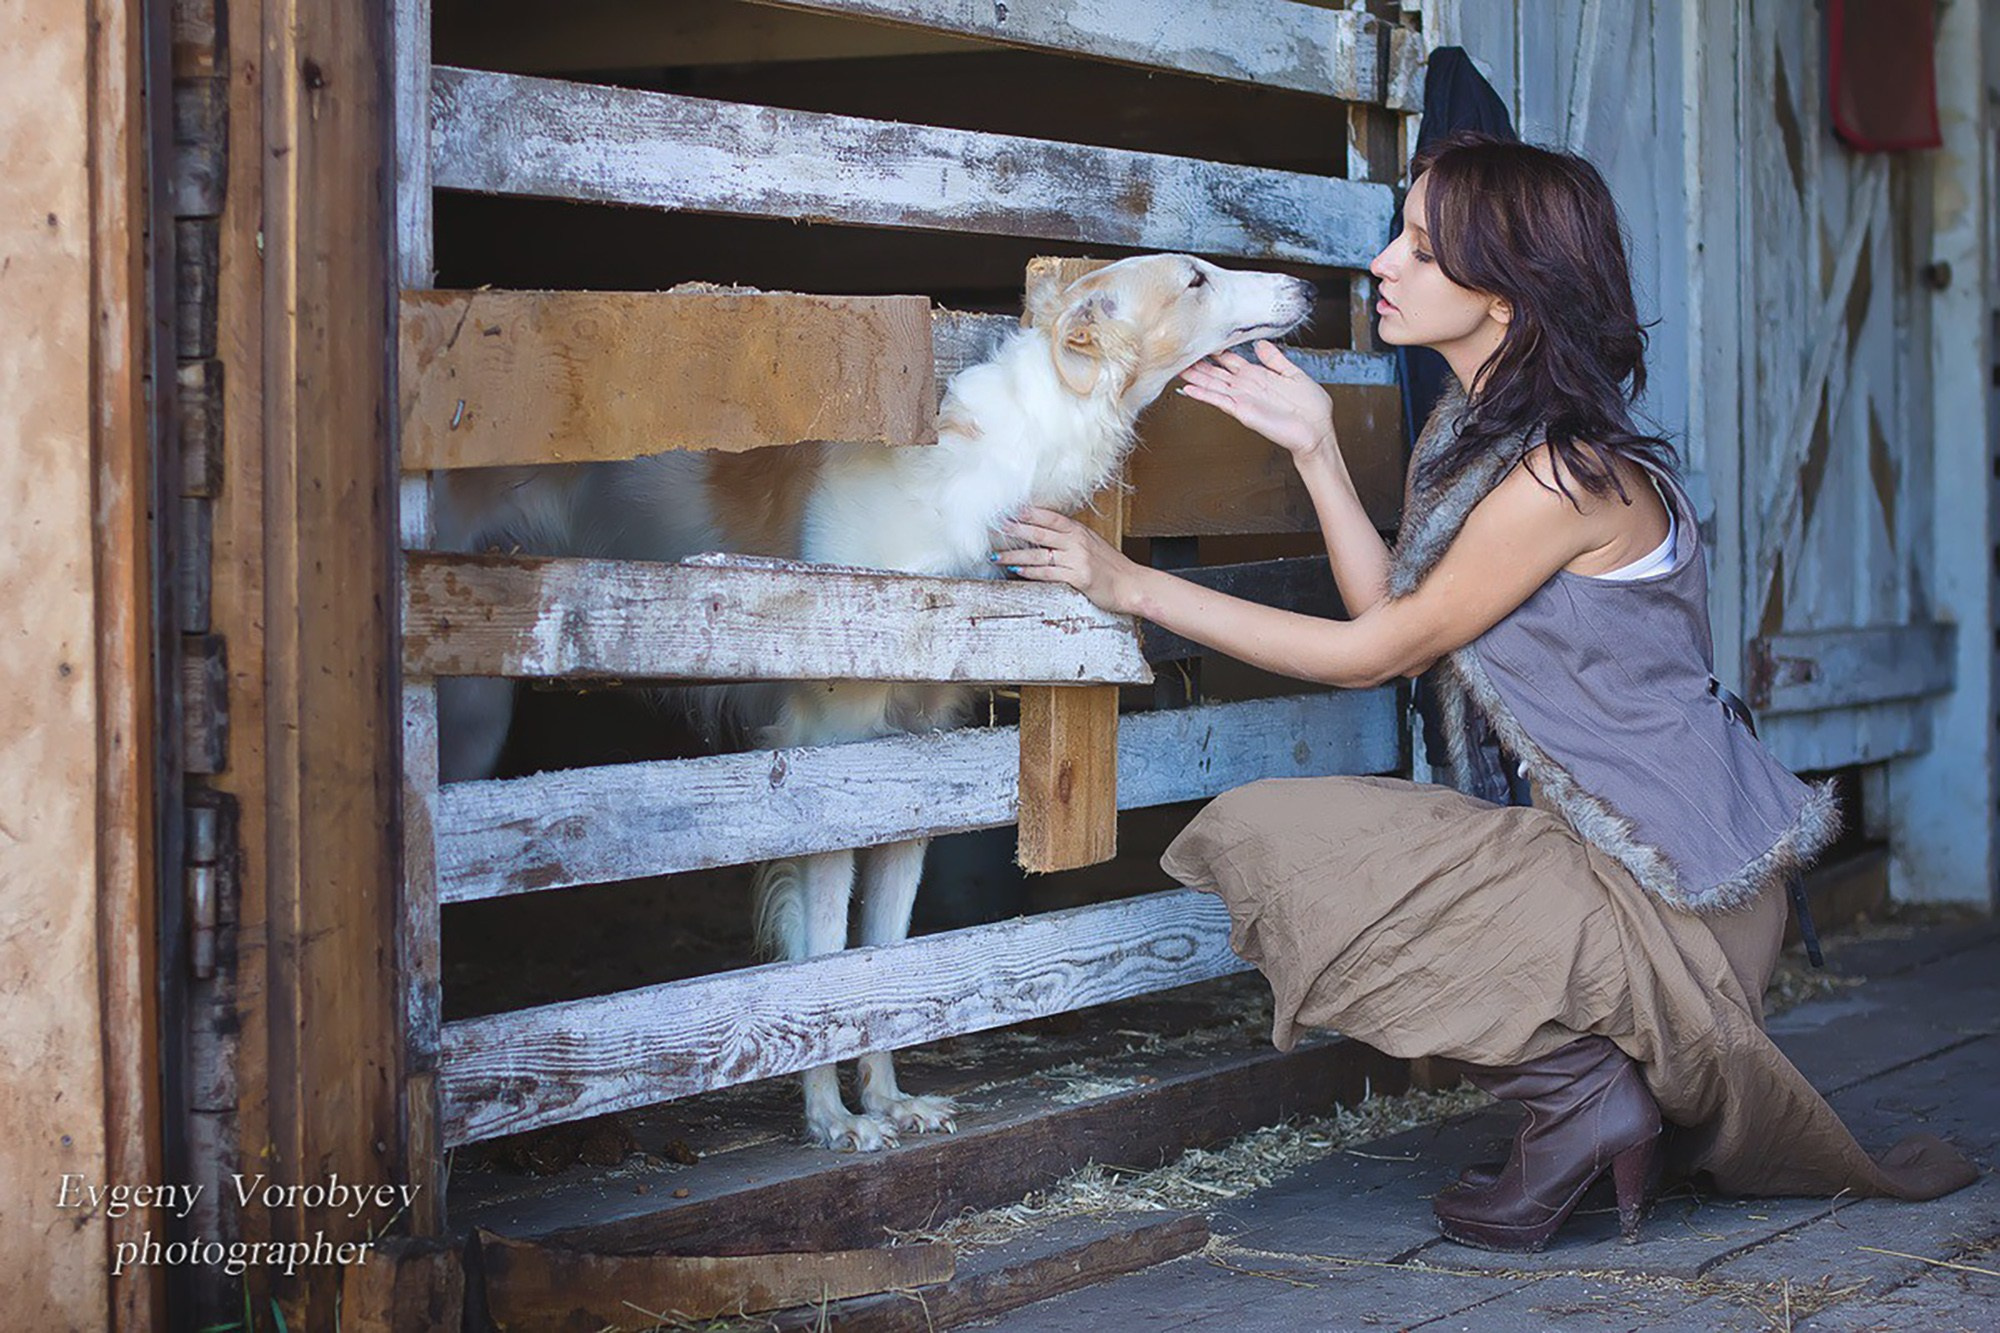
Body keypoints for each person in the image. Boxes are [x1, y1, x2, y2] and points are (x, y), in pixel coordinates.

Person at [990, 132, 1976, 1252]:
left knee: (1277, 840)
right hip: (1601, 869)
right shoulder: (1476, 442)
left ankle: (1586, 1096)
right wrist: (1317, 448)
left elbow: (1381, 655)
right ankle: (1599, 1090)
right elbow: (1398, 619)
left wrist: (1128, 583)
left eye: (1420, 244)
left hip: (1677, 903)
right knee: (1292, 843)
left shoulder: (1562, 476)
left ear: (1506, 292)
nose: (1382, 260)